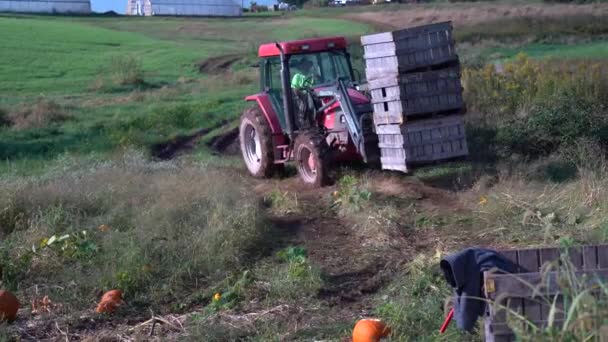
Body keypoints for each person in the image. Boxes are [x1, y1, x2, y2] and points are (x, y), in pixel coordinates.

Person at [290, 58, 318, 129]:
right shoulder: (297, 76)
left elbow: (316, 86)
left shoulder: (312, 76)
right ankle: (303, 121)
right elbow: (295, 89)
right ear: (301, 66)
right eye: (304, 65)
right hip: (300, 96)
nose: (306, 66)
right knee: (307, 100)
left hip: (312, 94)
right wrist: (303, 94)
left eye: (308, 65)